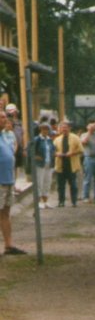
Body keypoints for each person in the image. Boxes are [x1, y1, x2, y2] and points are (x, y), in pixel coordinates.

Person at [0, 109, 26, 255]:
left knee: (5, 213)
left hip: (8, 180)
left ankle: (9, 245)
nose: (5, 119)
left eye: (5, 117)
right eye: (2, 117)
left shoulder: (7, 136)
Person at [54, 120, 84, 207]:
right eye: (62, 128)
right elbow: (53, 151)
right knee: (60, 185)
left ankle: (74, 201)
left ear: (69, 128)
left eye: (66, 128)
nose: (64, 129)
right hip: (60, 164)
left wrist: (72, 153)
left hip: (71, 164)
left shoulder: (75, 138)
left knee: (73, 185)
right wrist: (57, 154)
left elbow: (81, 150)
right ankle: (61, 201)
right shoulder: (57, 139)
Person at [33, 119, 56, 208]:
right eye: (43, 129)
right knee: (39, 183)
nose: (45, 131)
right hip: (40, 164)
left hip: (49, 163)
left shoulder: (49, 140)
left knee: (47, 182)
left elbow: (53, 149)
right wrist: (36, 156)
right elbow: (30, 151)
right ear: (40, 130)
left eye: (46, 129)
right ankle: (38, 202)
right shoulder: (37, 139)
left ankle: (45, 201)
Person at [5, 103, 24, 169]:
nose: (13, 114)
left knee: (16, 166)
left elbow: (22, 135)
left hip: (18, 146)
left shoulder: (19, 122)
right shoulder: (5, 122)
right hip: (7, 147)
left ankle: (14, 179)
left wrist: (23, 148)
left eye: (14, 112)